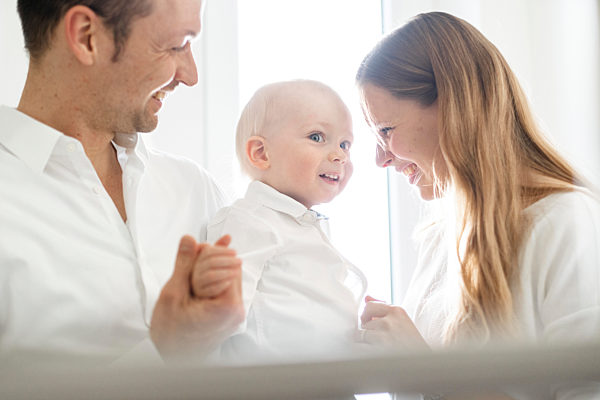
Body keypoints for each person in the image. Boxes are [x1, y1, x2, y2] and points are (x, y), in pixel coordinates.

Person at [355, 11, 600, 400]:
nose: (380, 159)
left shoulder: (564, 223)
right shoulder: (442, 238)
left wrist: (423, 370)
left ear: (454, 107)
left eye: (386, 130)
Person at [0, 0, 244, 364]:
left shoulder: (195, 190)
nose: (190, 75)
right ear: (86, 37)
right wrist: (167, 351)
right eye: (176, 45)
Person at [206, 80, 367, 363]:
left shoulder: (304, 226)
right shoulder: (248, 221)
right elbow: (217, 319)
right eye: (317, 137)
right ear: (261, 153)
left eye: (345, 144)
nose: (339, 155)